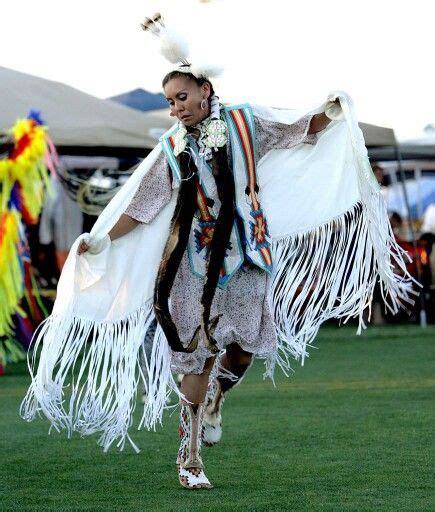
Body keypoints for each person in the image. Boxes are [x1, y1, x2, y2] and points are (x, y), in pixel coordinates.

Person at [21, 14, 415, 491]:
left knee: (245, 350)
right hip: (191, 267)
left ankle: (215, 399)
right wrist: (102, 239)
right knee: (197, 357)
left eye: (181, 98)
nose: (176, 109)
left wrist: (329, 111)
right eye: (169, 102)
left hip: (248, 257)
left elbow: (295, 131)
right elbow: (143, 202)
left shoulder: (246, 123)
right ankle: (188, 458)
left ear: (205, 90)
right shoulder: (171, 147)